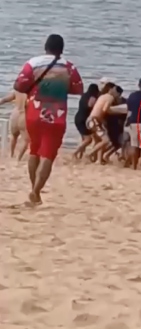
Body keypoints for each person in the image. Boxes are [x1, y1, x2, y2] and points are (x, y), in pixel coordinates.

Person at [12, 34, 84, 206]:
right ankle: (36, 192)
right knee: (48, 155)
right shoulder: (69, 67)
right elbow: (78, 89)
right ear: (62, 49)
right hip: (56, 114)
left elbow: (18, 85)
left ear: (45, 47)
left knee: (34, 151)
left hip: (34, 113)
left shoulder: (33, 63)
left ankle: (33, 190)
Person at [86, 82, 124, 164]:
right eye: (118, 95)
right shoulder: (110, 98)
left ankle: (98, 160)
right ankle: (91, 153)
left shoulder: (103, 96)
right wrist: (116, 111)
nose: (118, 97)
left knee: (101, 140)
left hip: (91, 119)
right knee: (106, 141)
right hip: (95, 120)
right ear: (115, 92)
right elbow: (105, 109)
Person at [72, 83, 100, 160]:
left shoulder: (84, 95)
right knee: (89, 139)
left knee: (84, 139)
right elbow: (90, 105)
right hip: (83, 119)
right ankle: (75, 152)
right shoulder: (92, 96)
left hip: (78, 117)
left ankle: (80, 156)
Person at [0, 90, 29, 160]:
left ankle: (11, 154)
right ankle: (19, 158)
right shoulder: (31, 92)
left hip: (15, 114)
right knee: (26, 140)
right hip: (24, 115)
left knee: (14, 136)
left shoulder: (18, 91)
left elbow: (4, 99)